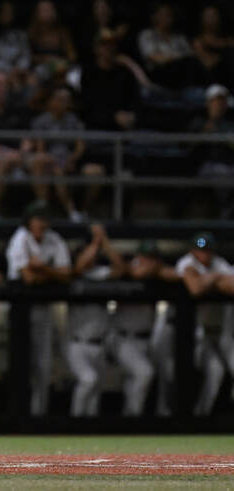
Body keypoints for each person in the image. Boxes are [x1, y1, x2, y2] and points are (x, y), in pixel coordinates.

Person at [5, 200, 71, 416]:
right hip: (21, 310)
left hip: (43, 309)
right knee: (22, 364)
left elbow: (66, 274)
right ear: (29, 221)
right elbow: (28, 278)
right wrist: (51, 274)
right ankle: (18, 415)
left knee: (44, 365)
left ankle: (39, 415)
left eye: (45, 219)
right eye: (38, 219)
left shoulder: (54, 239)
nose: (42, 223)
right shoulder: (20, 239)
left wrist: (42, 267)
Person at [0, 71, 51, 217]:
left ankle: (42, 211)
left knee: (40, 160)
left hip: (18, 155)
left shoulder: (17, 109)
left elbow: (27, 137)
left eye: (4, 85)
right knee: (5, 161)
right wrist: (4, 152)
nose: (1, 88)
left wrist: (24, 150)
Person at [65, 224, 125, 417]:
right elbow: (79, 266)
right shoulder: (74, 275)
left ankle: (90, 434)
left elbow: (121, 268)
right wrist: (95, 242)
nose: (90, 256)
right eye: (85, 253)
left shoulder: (100, 273)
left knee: (96, 388)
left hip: (100, 344)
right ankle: (74, 423)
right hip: (77, 343)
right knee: (88, 380)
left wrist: (103, 242)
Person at [114, 239, 177, 416]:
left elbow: (174, 274)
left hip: (146, 339)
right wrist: (152, 268)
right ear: (138, 256)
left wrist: (156, 268)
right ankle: (133, 421)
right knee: (145, 373)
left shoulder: (157, 274)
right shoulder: (128, 270)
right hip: (123, 337)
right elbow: (134, 272)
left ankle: (129, 420)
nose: (148, 260)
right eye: (145, 256)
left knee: (134, 381)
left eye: (152, 257)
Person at [175, 231, 234, 416]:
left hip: (223, 332)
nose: (204, 255)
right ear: (192, 251)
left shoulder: (219, 263)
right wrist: (216, 278)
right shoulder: (186, 262)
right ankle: (199, 417)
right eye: (200, 251)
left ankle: (204, 416)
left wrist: (210, 277)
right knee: (214, 371)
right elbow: (196, 288)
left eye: (208, 251)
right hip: (196, 334)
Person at [31, 86, 106, 221]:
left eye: (66, 100)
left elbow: (80, 146)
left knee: (96, 171)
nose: (63, 104)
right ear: (51, 102)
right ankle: (70, 211)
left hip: (71, 160)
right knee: (56, 170)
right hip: (50, 162)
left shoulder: (74, 120)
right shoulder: (42, 121)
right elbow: (40, 149)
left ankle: (84, 210)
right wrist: (55, 161)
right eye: (60, 100)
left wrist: (72, 159)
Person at [189, 84, 234, 218]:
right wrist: (209, 126)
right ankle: (224, 212)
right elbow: (188, 147)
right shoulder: (197, 122)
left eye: (222, 101)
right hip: (205, 166)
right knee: (222, 173)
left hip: (228, 165)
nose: (219, 104)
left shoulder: (230, 125)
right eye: (216, 101)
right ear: (208, 102)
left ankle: (226, 212)